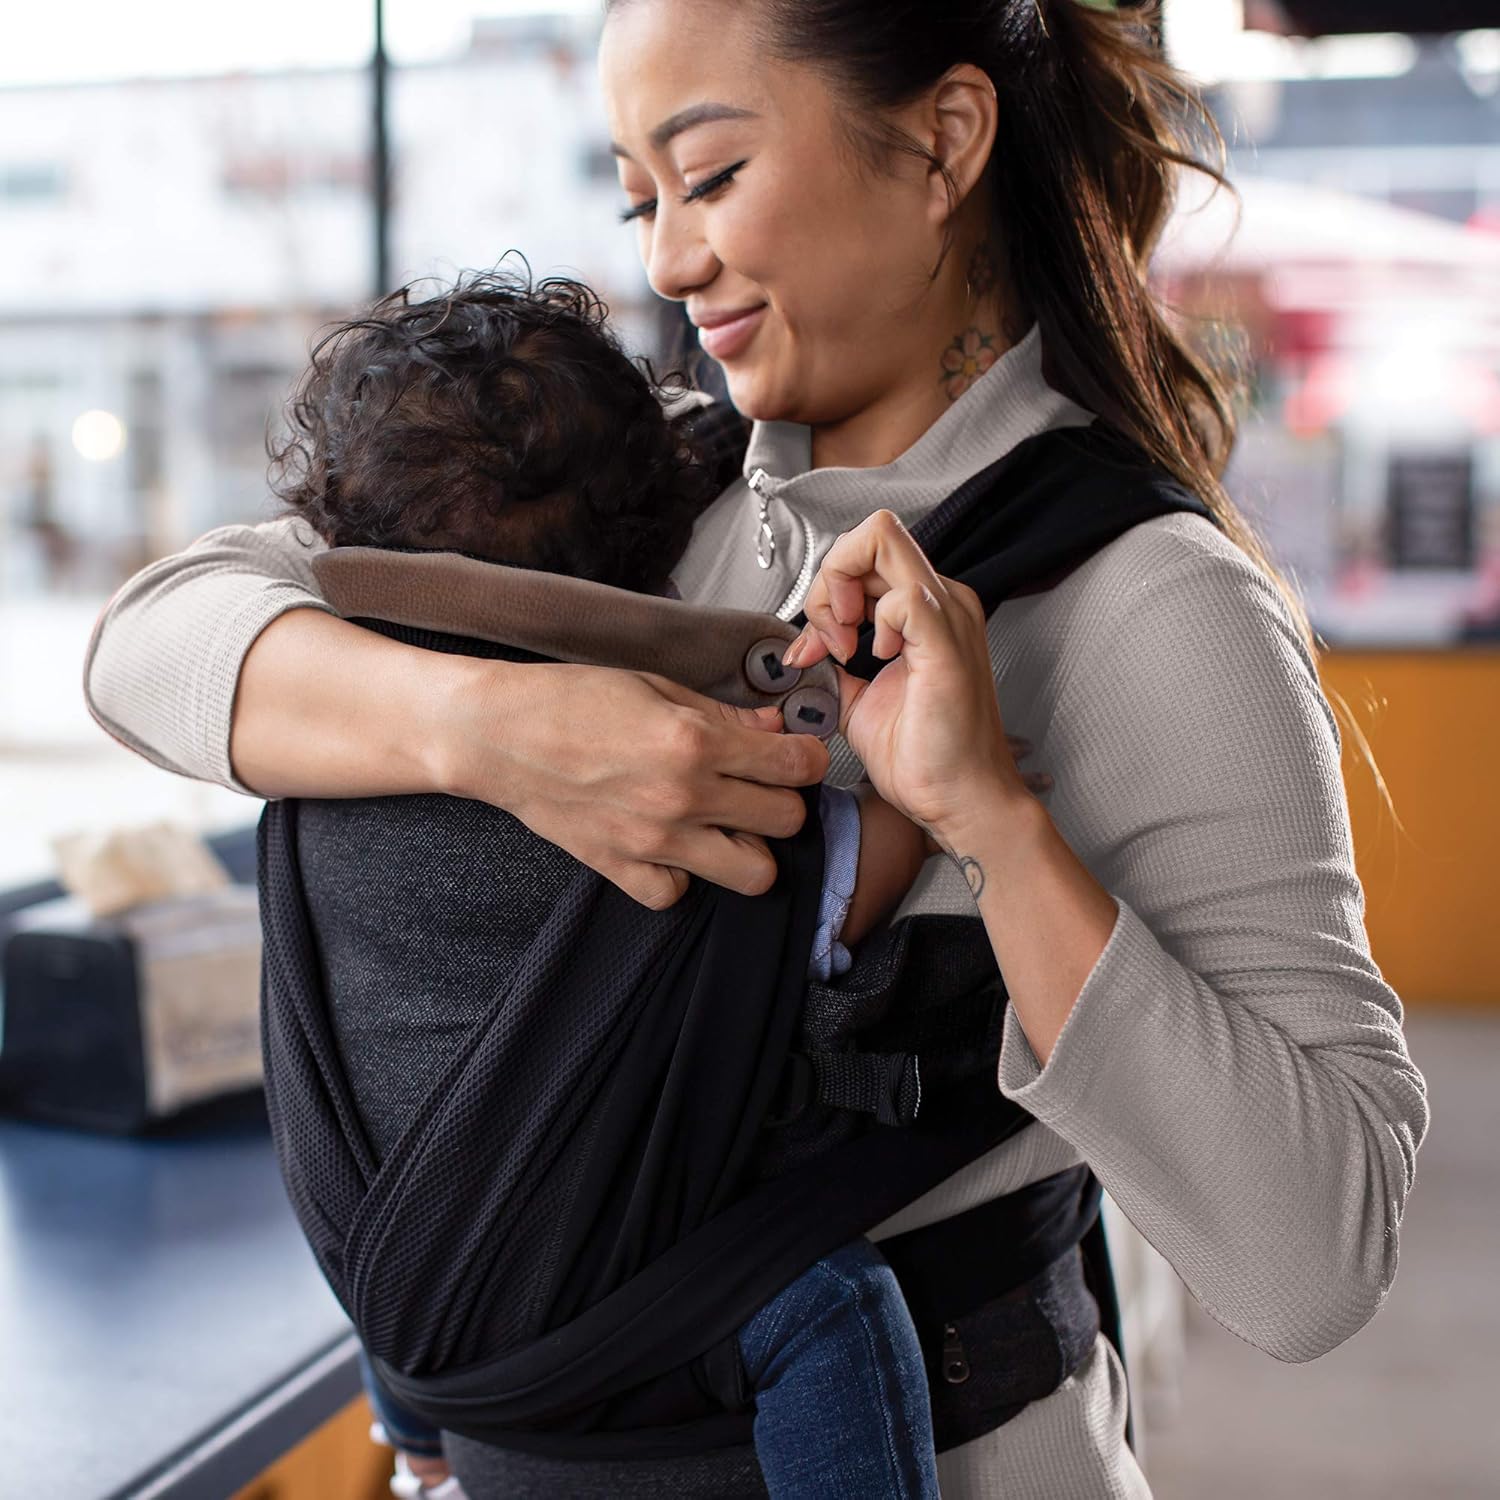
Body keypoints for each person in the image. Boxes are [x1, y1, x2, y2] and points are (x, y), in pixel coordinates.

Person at [84, 2, 1429, 1495]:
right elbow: (150, 639)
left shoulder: (1145, 603)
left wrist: (996, 822)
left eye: (711, 177)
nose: (667, 259)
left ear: (944, 142)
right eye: (637, 201)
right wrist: (500, 732)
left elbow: (1314, 1261)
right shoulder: (633, 496)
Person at [265, 267, 978, 1499]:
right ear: (658, 551)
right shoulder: (677, 771)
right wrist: (922, 769)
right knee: (832, 1305)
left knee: (392, 1166)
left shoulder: (317, 753)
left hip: (419, 1292)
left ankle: (420, 1452)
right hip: (632, 1272)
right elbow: (859, 874)